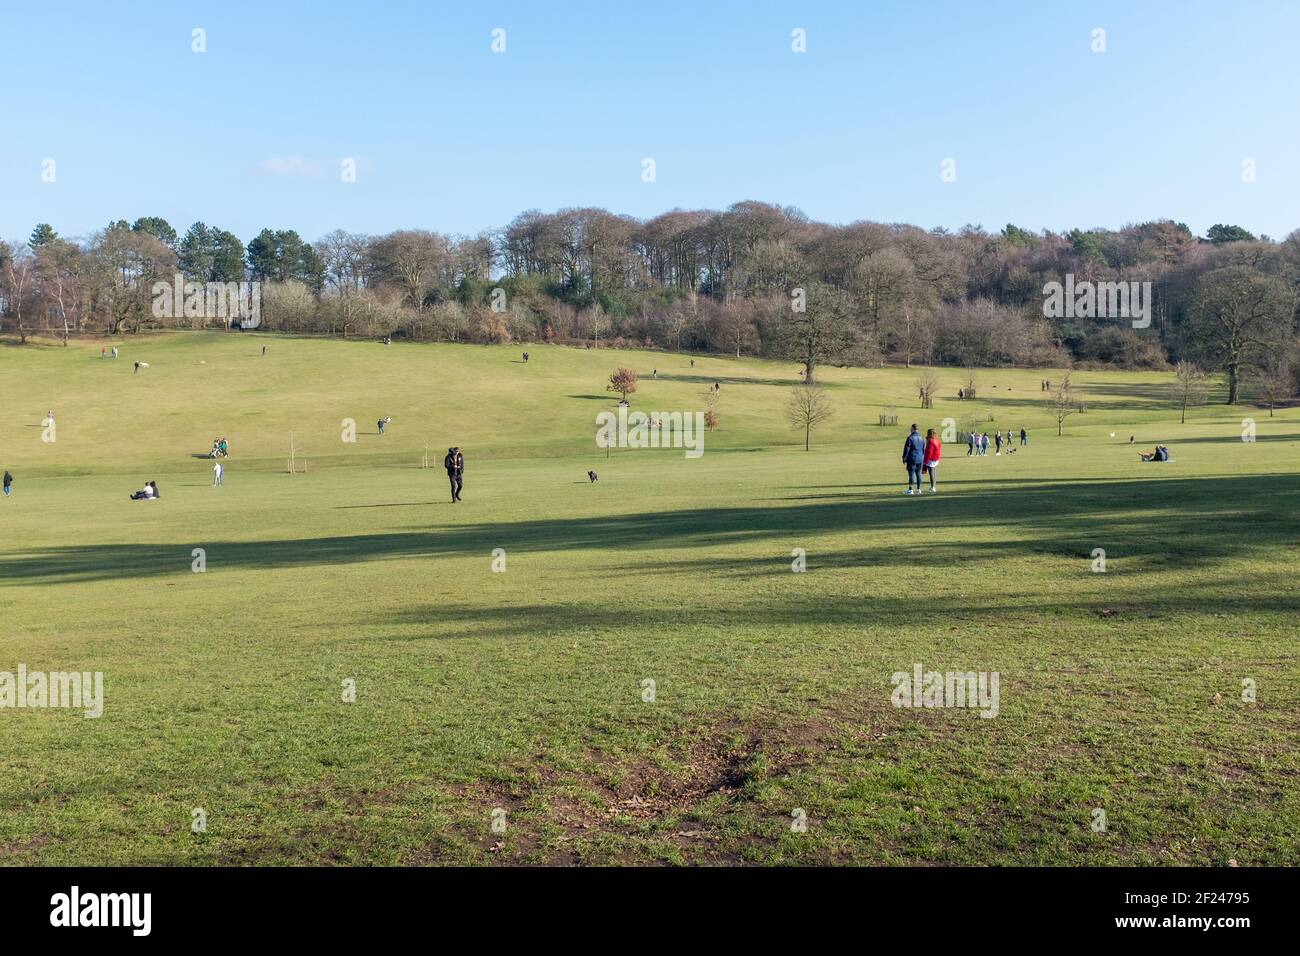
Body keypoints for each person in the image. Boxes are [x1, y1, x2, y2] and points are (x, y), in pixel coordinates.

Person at [902, 424, 926, 495]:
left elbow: (907, 448)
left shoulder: (910, 438)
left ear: (912, 428)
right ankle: (919, 489)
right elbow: (923, 449)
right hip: (920, 458)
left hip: (912, 458)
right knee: (918, 473)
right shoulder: (922, 438)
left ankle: (911, 489)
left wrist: (904, 457)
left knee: (911, 474)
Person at [923, 428, 942, 493]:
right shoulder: (937, 440)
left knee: (931, 474)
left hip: (931, 459)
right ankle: (934, 486)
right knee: (934, 473)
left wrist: (925, 461)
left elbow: (929, 452)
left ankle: (932, 487)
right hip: (936, 458)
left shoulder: (931, 441)